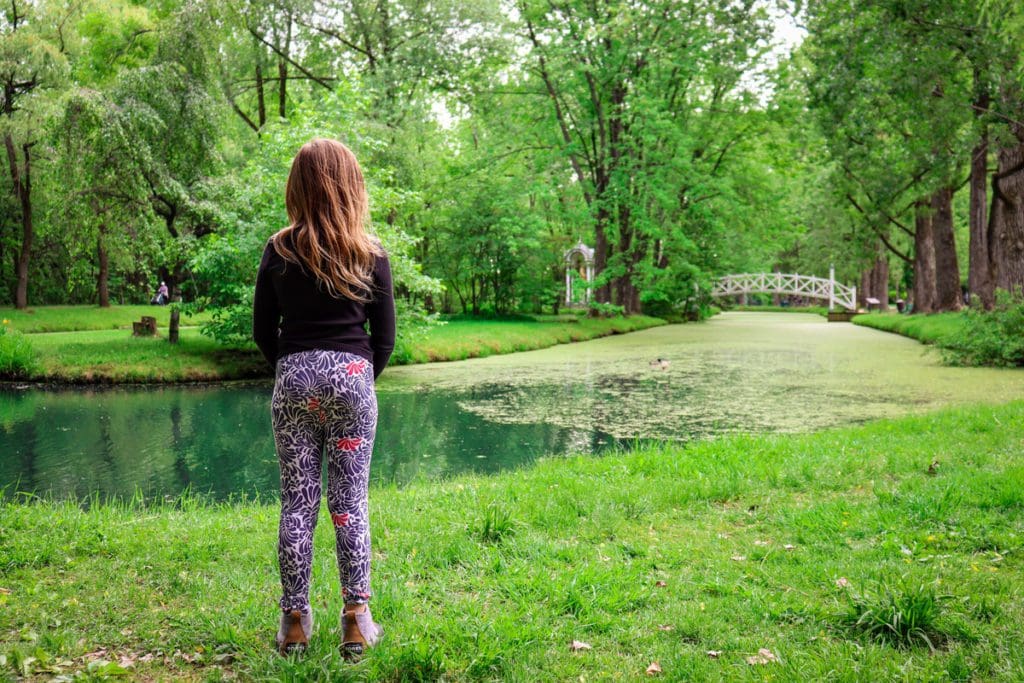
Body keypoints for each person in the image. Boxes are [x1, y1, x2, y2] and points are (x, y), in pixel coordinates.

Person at [252, 138, 396, 658]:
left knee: (297, 503)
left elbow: (263, 331)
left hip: (293, 375)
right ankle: (356, 621)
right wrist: (358, 377)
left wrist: (292, 370)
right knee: (349, 504)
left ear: (297, 187)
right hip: (354, 377)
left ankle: (294, 623)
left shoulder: (278, 248)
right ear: (350, 186)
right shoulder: (370, 251)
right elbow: (384, 340)